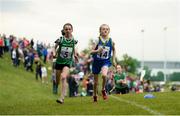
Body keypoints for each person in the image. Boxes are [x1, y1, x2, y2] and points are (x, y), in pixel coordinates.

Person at [90, 24, 116, 102]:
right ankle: (94, 95)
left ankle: (103, 89)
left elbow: (114, 50)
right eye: (103, 29)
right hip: (97, 61)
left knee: (104, 75)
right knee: (95, 82)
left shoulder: (111, 41)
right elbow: (91, 51)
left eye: (107, 29)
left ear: (109, 31)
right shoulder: (97, 40)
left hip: (105, 61)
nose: (105, 30)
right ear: (100, 31)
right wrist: (97, 50)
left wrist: (113, 59)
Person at [55, 23, 78, 104]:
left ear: (72, 30)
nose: (68, 30)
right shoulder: (61, 39)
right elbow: (55, 47)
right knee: (57, 80)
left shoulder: (74, 40)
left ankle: (62, 98)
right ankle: (56, 85)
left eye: (69, 29)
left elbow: (74, 47)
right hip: (59, 62)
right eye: (66, 29)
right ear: (64, 30)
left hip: (67, 62)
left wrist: (75, 55)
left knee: (63, 76)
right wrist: (55, 53)